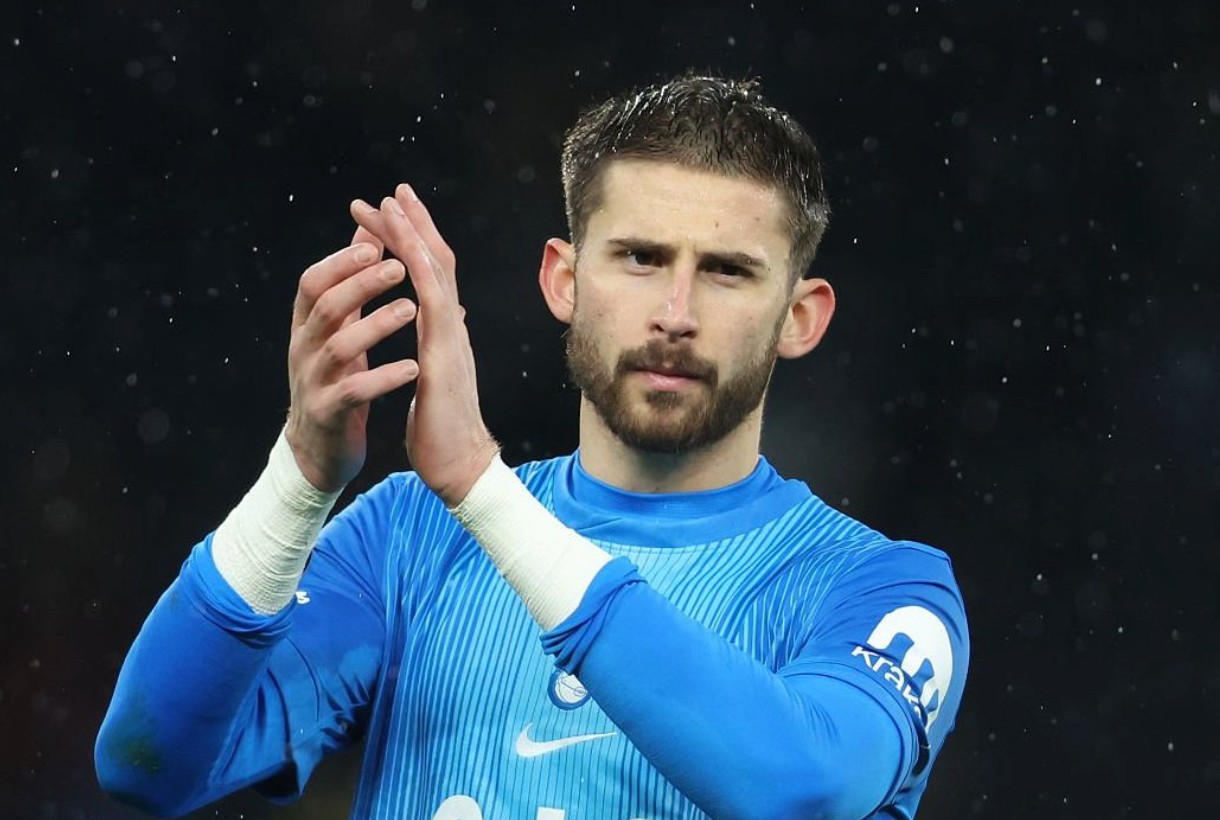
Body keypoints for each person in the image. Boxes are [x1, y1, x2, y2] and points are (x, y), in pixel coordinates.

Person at [95, 74, 969, 820]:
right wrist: (301, 477)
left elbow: (799, 790)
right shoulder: (408, 539)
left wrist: (482, 488)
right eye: (639, 257)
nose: (676, 315)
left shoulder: (883, 591)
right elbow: (148, 764)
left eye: (727, 270)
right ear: (563, 280)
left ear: (801, 317)